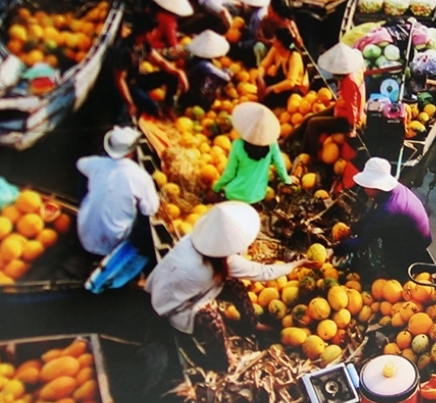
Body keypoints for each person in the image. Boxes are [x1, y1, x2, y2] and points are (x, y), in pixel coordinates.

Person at [145, 201, 307, 364]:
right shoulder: (228, 262)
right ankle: (222, 360)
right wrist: (296, 264)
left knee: (235, 285)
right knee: (212, 319)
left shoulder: (194, 240)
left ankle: (251, 323)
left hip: (170, 285)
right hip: (174, 304)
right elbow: (265, 273)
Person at [335, 158, 433, 276]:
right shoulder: (393, 191)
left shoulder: (388, 209)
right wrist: (352, 230)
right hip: (410, 231)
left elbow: (364, 239)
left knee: (390, 269)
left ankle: (396, 271)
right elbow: (372, 215)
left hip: (415, 243)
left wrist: (335, 250)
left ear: (377, 187)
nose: (365, 189)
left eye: (367, 186)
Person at [76, 127, 159, 257]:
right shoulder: (140, 176)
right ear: (131, 152)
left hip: (85, 235)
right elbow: (150, 209)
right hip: (114, 242)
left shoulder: (96, 164)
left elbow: (80, 164)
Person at [111, 13, 190, 121]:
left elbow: (160, 62)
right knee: (154, 109)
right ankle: (157, 112)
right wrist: (130, 103)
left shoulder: (144, 44)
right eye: (153, 31)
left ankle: (168, 107)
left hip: (139, 79)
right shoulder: (125, 50)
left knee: (172, 76)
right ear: (147, 32)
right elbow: (119, 80)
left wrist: (178, 73)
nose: (155, 33)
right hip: (130, 86)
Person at [213, 103, 295, 204]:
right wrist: (287, 180)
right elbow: (280, 166)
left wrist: (217, 187)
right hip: (257, 195)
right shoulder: (272, 145)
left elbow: (229, 174)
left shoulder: (237, 145)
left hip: (235, 195)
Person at [294, 43, 366, 156]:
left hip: (347, 120)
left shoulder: (349, 82)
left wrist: (351, 128)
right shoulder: (355, 68)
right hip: (342, 106)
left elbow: (353, 107)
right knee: (310, 118)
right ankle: (290, 140)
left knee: (313, 124)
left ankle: (308, 156)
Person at [180, 30, 232, 110]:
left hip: (185, 95)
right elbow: (226, 77)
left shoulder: (194, 58)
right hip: (196, 99)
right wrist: (227, 72)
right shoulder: (205, 65)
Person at [256, 29, 309, 107]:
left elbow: (290, 82)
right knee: (262, 80)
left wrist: (271, 89)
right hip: (282, 81)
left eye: (274, 38)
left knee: (269, 98)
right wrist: (260, 77)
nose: (272, 40)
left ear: (280, 42)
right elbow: (263, 65)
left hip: (295, 88)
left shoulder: (294, 56)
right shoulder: (275, 49)